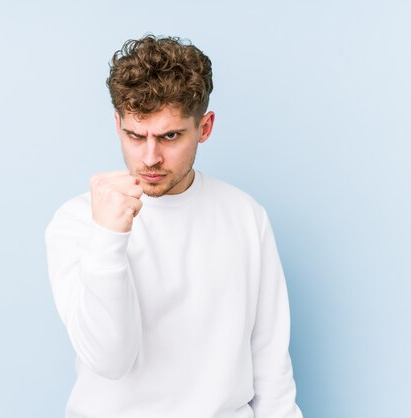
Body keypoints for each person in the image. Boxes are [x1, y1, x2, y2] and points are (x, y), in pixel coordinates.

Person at [45, 34, 303, 418]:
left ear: (205, 127)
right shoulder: (78, 222)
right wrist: (108, 237)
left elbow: (271, 368)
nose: (150, 157)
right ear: (117, 124)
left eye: (170, 136)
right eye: (136, 135)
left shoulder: (246, 216)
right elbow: (110, 359)